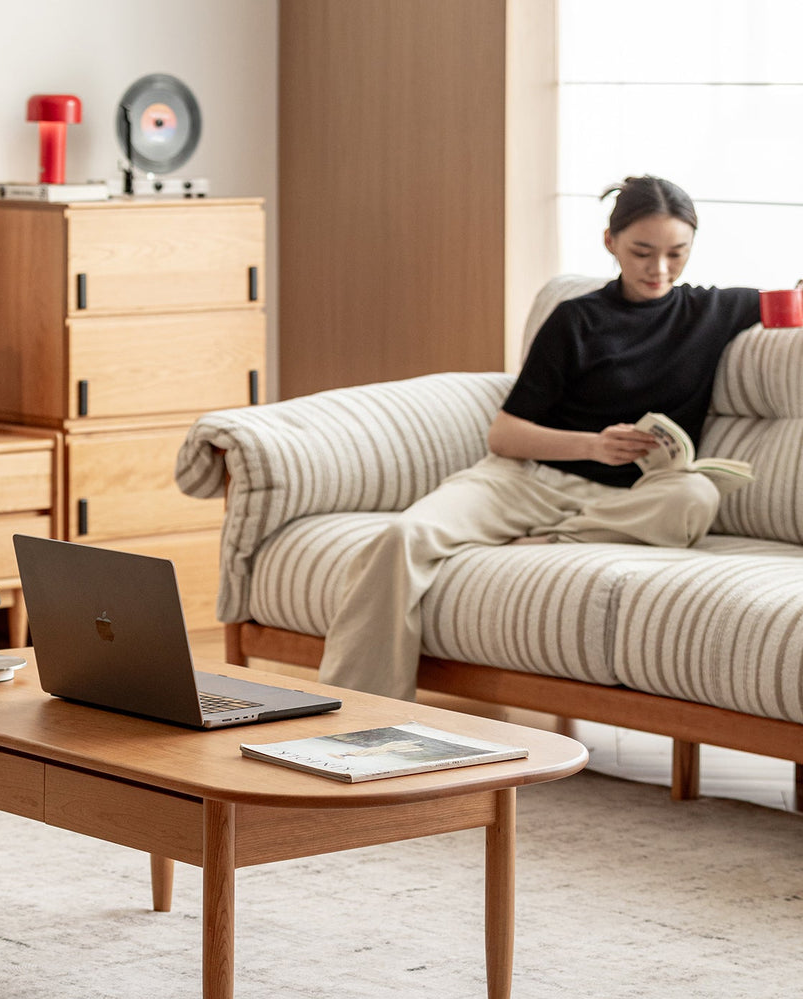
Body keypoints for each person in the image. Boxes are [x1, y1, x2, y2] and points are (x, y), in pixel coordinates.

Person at [317, 175, 761, 702]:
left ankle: (551, 540)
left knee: (694, 495)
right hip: (526, 481)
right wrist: (593, 445)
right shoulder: (578, 318)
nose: (659, 269)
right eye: (642, 252)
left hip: (628, 500)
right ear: (610, 242)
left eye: (676, 253)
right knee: (400, 539)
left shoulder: (714, 311)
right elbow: (505, 435)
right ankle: (356, 713)